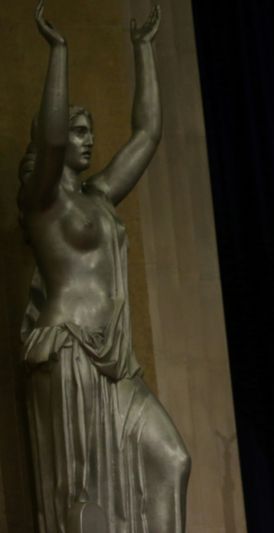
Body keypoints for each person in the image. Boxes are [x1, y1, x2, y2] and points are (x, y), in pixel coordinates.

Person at [18, 2, 190, 531]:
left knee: (172, 459)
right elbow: (46, 138)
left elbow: (148, 134)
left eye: (90, 130)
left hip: (117, 363)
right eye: (78, 131)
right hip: (69, 351)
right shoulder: (41, 201)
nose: (88, 139)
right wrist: (60, 52)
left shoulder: (101, 197)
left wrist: (142, 51)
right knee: (80, 495)